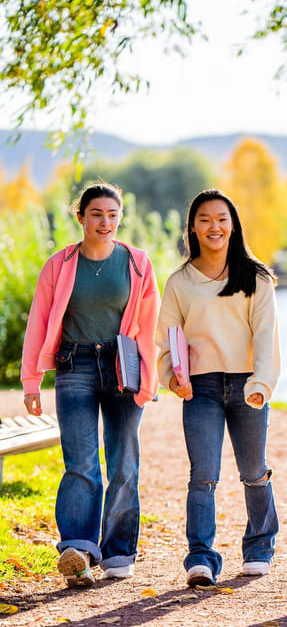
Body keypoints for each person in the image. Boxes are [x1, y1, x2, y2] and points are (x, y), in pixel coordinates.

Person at [21, 183, 160, 587]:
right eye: (97, 214)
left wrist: (148, 379)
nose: (105, 222)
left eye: (113, 214)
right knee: (80, 463)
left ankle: (118, 551)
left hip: (122, 367)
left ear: (121, 217)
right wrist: (32, 381)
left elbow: (148, 326)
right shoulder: (59, 264)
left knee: (123, 462)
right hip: (74, 364)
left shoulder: (137, 262)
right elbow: (38, 322)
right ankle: (78, 550)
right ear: (80, 217)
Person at [156, 189, 280, 588]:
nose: (215, 227)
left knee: (253, 471)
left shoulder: (256, 277)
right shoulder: (179, 282)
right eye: (206, 219)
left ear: (233, 224)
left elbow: (266, 335)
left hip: (248, 384)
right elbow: (165, 340)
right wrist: (171, 377)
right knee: (203, 475)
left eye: (222, 219)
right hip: (201, 388)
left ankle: (259, 547)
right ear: (193, 226)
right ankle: (201, 557)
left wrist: (262, 382)